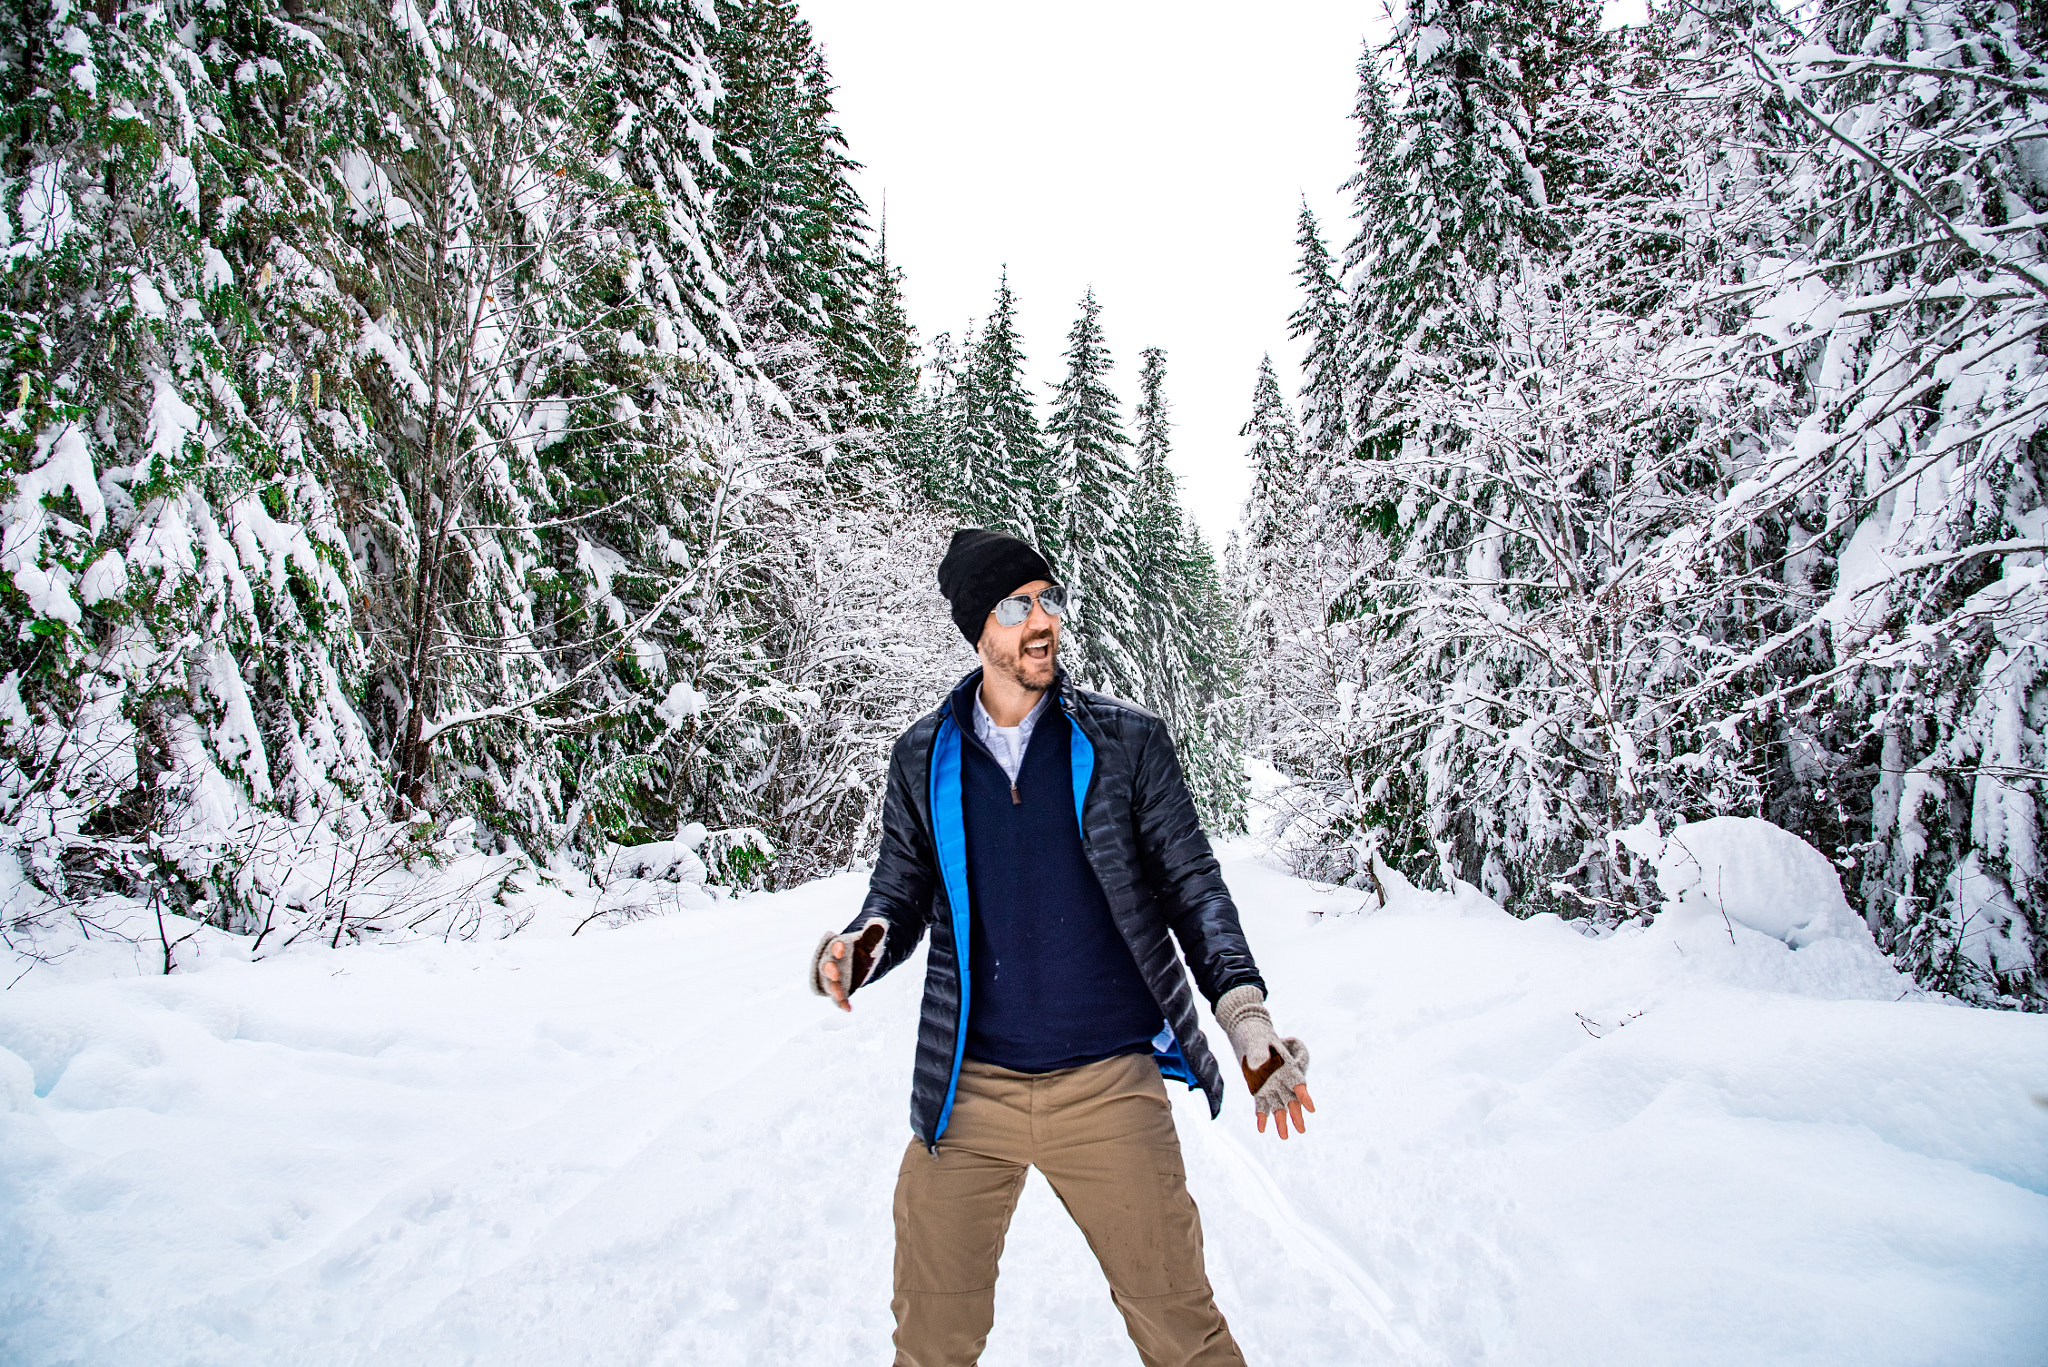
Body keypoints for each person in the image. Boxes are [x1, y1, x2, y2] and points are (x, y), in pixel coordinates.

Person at [808, 528, 1315, 1367]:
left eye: (1050, 599)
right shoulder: (922, 758)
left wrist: (1246, 1017)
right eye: (1018, 605)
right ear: (979, 629)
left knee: (1184, 1333)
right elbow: (897, 892)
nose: (1043, 620)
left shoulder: (1124, 742)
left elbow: (1194, 886)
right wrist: (864, 944)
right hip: (970, 1091)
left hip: (1108, 1083)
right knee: (929, 1340)